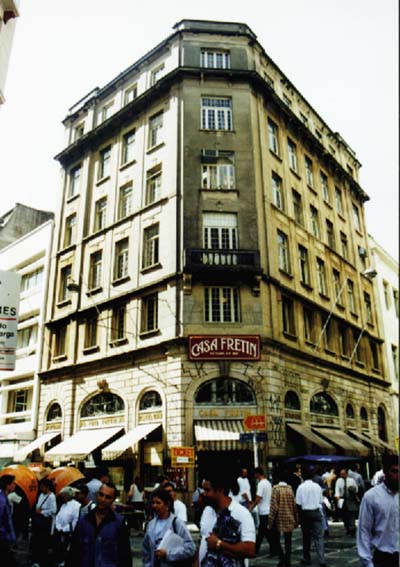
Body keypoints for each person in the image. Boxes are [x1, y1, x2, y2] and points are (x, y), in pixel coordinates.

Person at [67, 482, 132, 567]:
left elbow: (125, 555)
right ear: (97, 495)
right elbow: (74, 552)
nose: (103, 499)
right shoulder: (84, 521)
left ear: (113, 500)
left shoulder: (119, 523)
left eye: (108, 497)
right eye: (101, 495)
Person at [199, 470, 256, 567]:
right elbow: (203, 542)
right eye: (203, 490)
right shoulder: (207, 511)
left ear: (220, 490)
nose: (203, 494)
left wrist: (219, 544)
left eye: (207, 490)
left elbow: (250, 550)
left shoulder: (242, 514)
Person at [357, 453, 399, 567]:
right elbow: (364, 531)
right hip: (384, 558)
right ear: (385, 471)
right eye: (395, 471)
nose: (398, 476)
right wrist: (367, 563)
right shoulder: (371, 497)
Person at [142, 487, 195, 567]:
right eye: (153, 503)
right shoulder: (151, 525)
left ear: (167, 504)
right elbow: (146, 550)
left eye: (158, 503)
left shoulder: (177, 523)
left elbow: (190, 548)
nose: (155, 506)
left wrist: (168, 553)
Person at [295, 466, 326, 567]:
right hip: (316, 512)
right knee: (319, 537)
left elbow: (298, 503)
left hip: (305, 514)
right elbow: (321, 501)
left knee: (306, 537)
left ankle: (306, 558)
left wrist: (298, 517)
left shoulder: (300, 487)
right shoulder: (317, 487)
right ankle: (321, 560)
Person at [268, 469, 298, 567]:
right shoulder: (290, 489)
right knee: (288, 541)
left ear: (277, 478)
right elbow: (294, 505)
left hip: (278, 518)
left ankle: (282, 558)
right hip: (289, 517)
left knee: (275, 539)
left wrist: (270, 520)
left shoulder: (275, 489)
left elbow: (274, 506)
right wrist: (296, 519)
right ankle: (287, 560)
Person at [31, 478, 57, 567]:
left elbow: (53, 510)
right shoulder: (41, 495)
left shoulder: (51, 496)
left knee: (43, 542)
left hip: (46, 523)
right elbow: (38, 505)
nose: (41, 488)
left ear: (47, 487)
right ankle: (36, 560)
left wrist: (42, 512)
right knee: (37, 541)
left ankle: (43, 561)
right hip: (38, 522)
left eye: (42, 487)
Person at [248, 466, 274, 557]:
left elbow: (258, 498)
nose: (254, 476)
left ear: (257, 474)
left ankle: (256, 550)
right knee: (265, 532)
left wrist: (251, 507)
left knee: (262, 532)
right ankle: (274, 549)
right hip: (268, 509)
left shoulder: (261, 484)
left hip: (263, 510)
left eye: (255, 474)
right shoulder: (268, 483)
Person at [54, 486, 81, 566]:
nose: (62, 497)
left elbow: (75, 521)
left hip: (69, 534)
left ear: (68, 495)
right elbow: (58, 517)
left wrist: (65, 529)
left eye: (64, 495)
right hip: (60, 532)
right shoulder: (63, 505)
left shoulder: (76, 506)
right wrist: (59, 527)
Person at [334, 468, 359, 536]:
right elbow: (337, 490)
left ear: (346, 474)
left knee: (351, 515)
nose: (342, 475)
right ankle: (347, 528)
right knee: (345, 516)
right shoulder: (339, 481)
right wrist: (337, 498)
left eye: (343, 474)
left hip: (351, 499)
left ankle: (352, 529)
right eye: (341, 474)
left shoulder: (351, 480)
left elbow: (356, 489)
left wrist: (352, 489)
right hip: (343, 500)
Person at [0, 474, 17, 567]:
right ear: (7, 485)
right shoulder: (1, 500)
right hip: (3, 538)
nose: (15, 485)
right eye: (13, 483)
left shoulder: (4, 497)